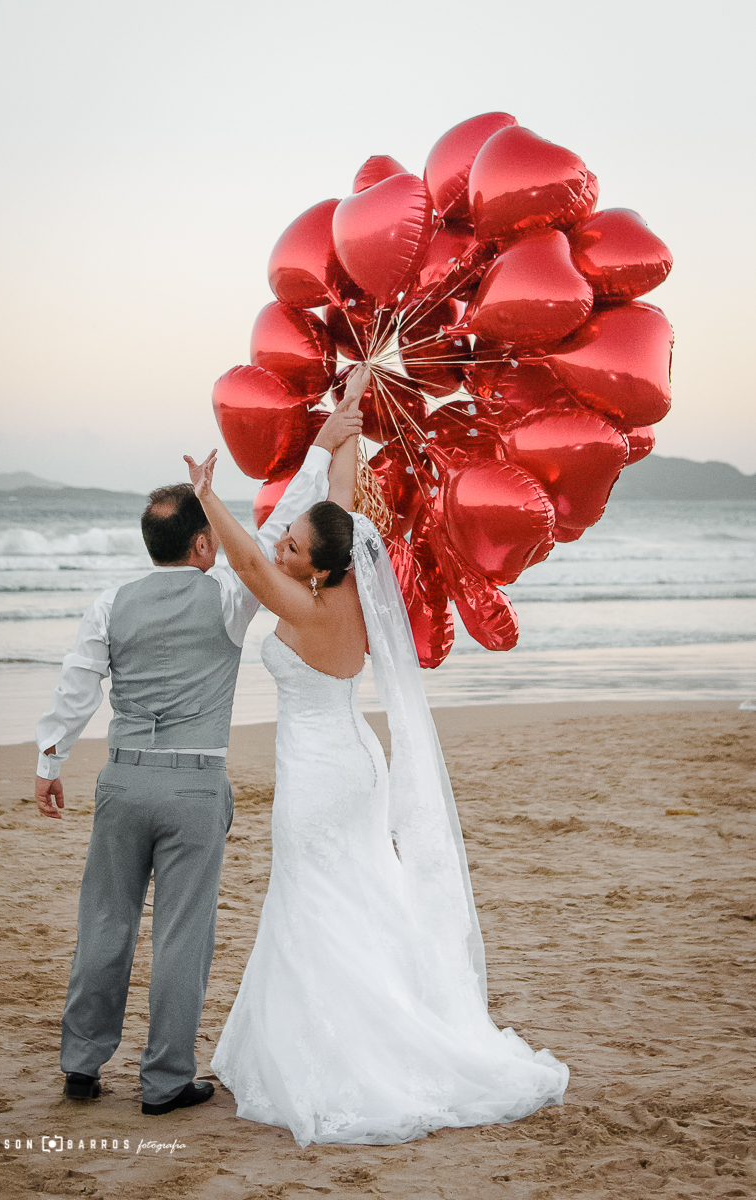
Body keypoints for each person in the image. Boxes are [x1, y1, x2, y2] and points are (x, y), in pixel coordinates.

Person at [184, 363, 569, 1148]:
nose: (281, 544)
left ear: (315, 567)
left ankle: (349, 1049)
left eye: (292, 542)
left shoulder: (308, 603)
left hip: (322, 777)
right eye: (285, 539)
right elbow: (345, 500)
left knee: (314, 901)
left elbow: (250, 567)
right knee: (357, 893)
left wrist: (206, 500)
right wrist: (348, 416)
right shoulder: (344, 582)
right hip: (353, 764)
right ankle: (375, 1020)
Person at [32, 395, 363, 1116]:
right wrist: (322, 446)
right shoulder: (225, 599)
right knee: (183, 934)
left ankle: (82, 1065)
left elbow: (77, 684)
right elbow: (274, 534)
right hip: (193, 790)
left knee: (105, 923)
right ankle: (163, 1082)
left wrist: (50, 761)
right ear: (204, 545)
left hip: (122, 782)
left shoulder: (110, 604)